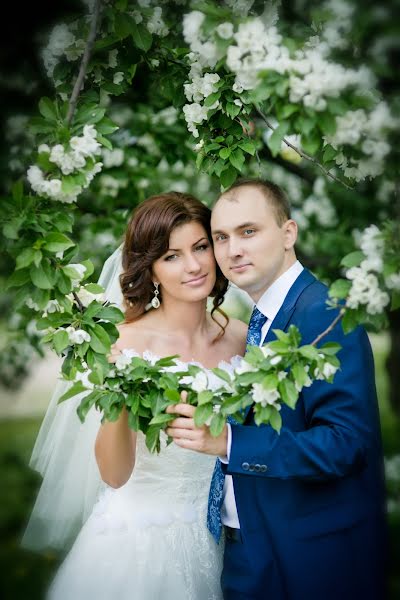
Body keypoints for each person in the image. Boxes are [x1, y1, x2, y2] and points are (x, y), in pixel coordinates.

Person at [166, 179, 387, 600]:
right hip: (256, 544)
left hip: (312, 557)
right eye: (221, 238)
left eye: (248, 231)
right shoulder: (263, 318)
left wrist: (230, 441)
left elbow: (345, 442)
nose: (233, 250)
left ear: (289, 233)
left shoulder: (322, 313)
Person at [22, 191, 247, 600]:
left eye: (200, 247)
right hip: (139, 546)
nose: (194, 265)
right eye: (171, 256)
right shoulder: (122, 344)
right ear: (152, 270)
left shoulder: (240, 338)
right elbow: (113, 475)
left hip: (219, 538)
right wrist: (119, 390)